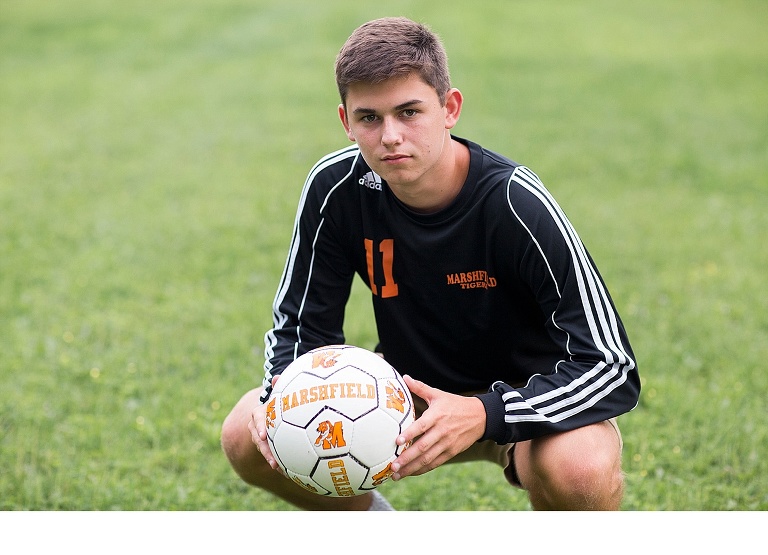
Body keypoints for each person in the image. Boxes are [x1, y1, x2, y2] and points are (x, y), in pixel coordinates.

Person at [221, 16, 640, 511]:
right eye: (369, 117)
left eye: (409, 112)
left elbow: (611, 367)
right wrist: (276, 398)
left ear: (449, 108)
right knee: (246, 432)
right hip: (401, 397)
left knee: (580, 466)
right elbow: (301, 329)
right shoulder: (337, 189)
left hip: (524, 403)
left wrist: (485, 413)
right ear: (346, 122)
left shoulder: (514, 201)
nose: (390, 136)